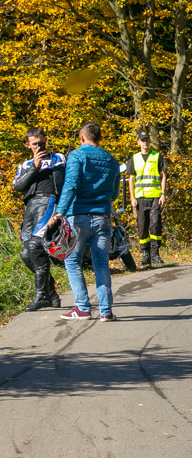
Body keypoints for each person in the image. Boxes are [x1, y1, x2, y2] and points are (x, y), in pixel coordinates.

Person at [49, 122, 121, 321]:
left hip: (78, 216)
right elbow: (114, 193)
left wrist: (59, 212)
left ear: (82, 138)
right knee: (101, 264)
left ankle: (82, 308)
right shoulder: (112, 160)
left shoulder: (77, 156)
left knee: (72, 260)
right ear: (100, 138)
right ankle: (106, 312)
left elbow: (71, 185)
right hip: (102, 218)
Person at [12, 127, 66, 311]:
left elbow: (68, 183)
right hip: (30, 207)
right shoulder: (25, 165)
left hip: (49, 201)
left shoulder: (58, 158)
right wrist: (34, 165)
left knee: (35, 246)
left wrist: (62, 211)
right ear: (28, 145)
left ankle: (41, 296)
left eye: (41, 143)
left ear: (46, 141)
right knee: (26, 254)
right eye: (34, 144)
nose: (38, 146)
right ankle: (50, 293)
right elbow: (18, 187)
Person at [127, 132, 167, 267]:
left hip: (155, 195)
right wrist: (132, 197)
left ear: (150, 142)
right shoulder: (134, 158)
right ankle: (145, 255)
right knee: (142, 226)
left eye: (147, 140)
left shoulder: (157, 156)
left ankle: (155, 254)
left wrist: (163, 194)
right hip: (140, 197)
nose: (145, 142)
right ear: (138, 142)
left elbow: (163, 176)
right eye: (142, 140)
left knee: (155, 224)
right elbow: (131, 179)